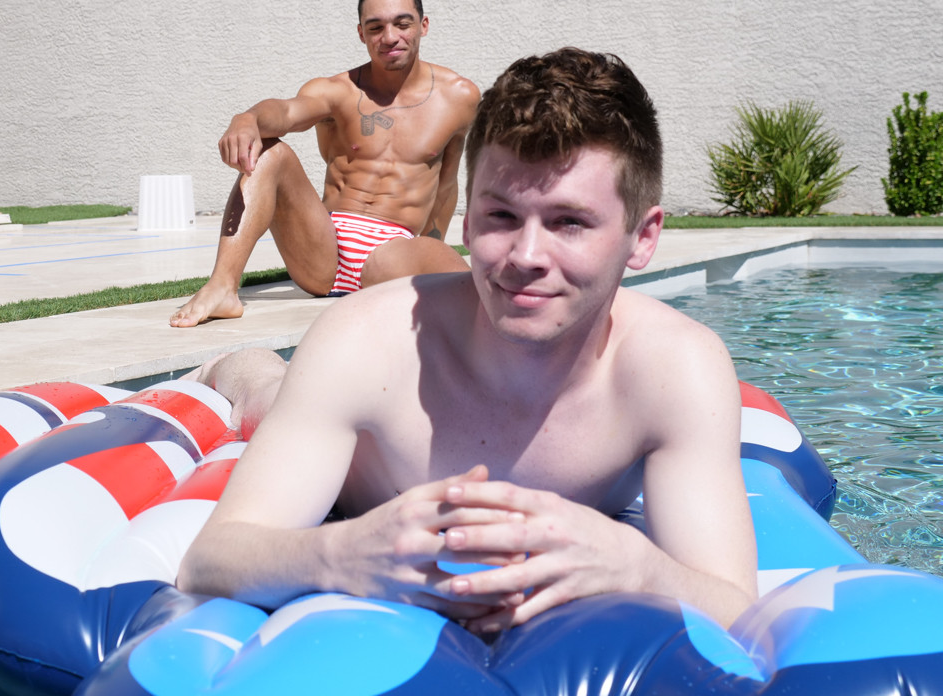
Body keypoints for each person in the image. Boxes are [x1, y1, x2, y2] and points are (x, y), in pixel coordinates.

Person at [177, 47, 758, 632]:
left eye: (569, 222)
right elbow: (208, 562)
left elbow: (735, 605)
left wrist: (637, 566)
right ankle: (233, 365)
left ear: (643, 237)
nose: (526, 256)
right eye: (501, 216)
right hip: (355, 469)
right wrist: (342, 553)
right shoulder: (367, 342)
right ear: (468, 219)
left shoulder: (675, 369)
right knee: (267, 393)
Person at [169, 0, 479, 327]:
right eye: (375, 27)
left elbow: (446, 185)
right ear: (361, 33)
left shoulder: (459, 97)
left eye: (402, 24)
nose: (390, 37)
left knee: (467, 293)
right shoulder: (337, 90)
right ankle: (223, 286)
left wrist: (426, 250)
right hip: (322, 250)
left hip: (393, 251)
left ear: (423, 26)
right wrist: (247, 118)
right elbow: (286, 112)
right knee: (271, 153)